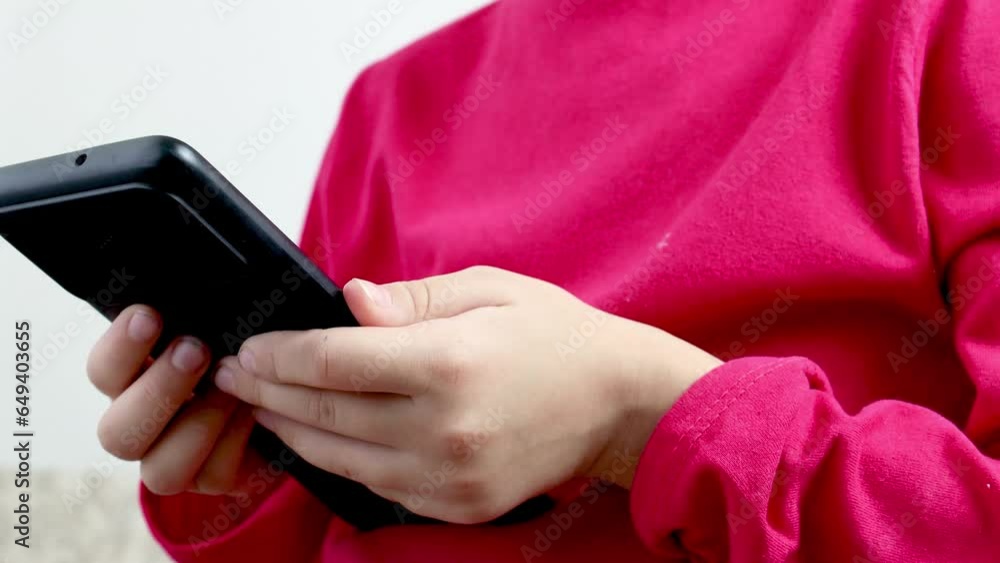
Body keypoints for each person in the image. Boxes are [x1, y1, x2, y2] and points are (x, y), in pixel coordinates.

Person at [86, 0, 1000, 560]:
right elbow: (306, 532)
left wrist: (640, 418)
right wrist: (245, 462)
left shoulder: (950, 28)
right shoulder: (392, 104)